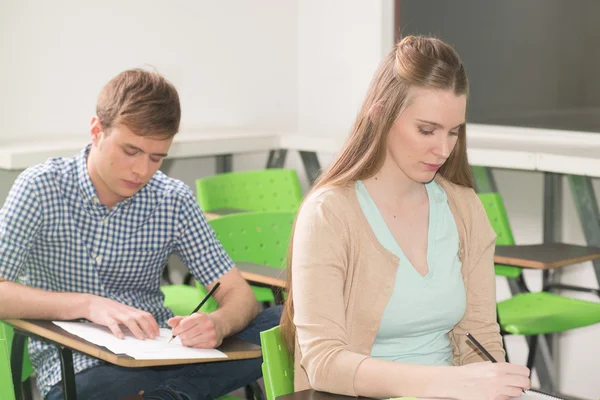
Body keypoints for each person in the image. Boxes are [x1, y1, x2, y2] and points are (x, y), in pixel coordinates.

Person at [0, 69, 281, 400]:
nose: (142, 171)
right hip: (80, 367)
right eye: (130, 151)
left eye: (156, 157)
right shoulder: (40, 188)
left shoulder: (171, 199)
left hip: (162, 354)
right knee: (112, 387)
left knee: (281, 321)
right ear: (96, 131)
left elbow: (239, 294)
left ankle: (168, 395)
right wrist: (88, 304)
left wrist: (218, 324)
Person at [280, 35, 531, 400]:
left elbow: (481, 337)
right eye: (426, 130)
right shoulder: (329, 214)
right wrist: (450, 384)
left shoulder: (465, 209)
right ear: (380, 115)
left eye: (454, 132)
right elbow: (324, 363)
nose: (444, 149)